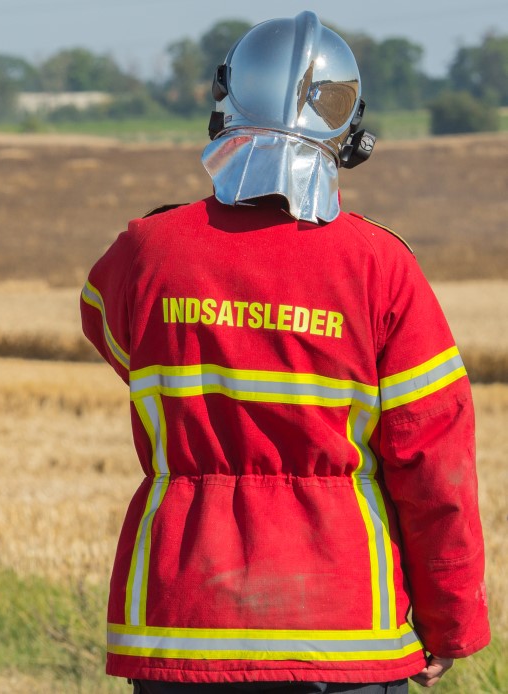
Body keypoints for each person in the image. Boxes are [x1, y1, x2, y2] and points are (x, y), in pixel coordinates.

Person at [79, 11, 489, 692]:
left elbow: (113, 335)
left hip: (182, 626)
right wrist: (451, 622)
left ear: (225, 103)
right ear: (349, 130)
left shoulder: (146, 251)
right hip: (347, 632)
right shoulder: (379, 267)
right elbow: (433, 460)